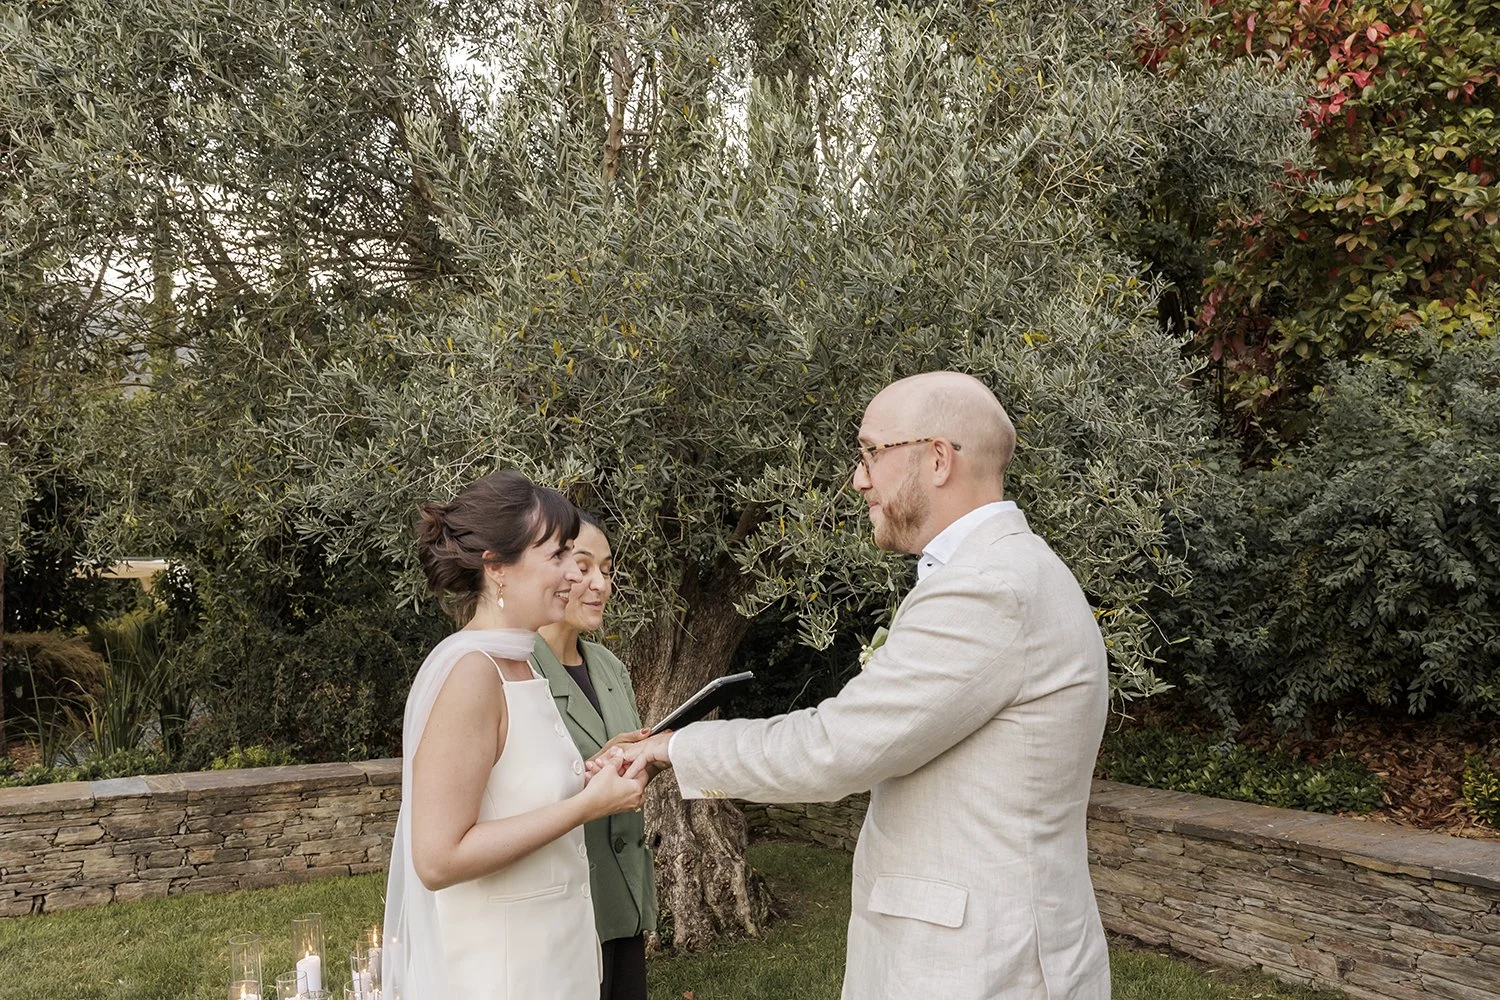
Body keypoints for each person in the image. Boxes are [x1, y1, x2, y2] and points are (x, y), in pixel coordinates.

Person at [611, 372, 1112, 1000]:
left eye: (873, 451)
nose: (859, 479)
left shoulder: (988, 587)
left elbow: (836, 749)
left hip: (975, 964)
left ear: (936, 458)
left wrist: (670, 749)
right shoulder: (1018, 569)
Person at [383, 470, 648, 1000]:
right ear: (498, 569)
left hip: (557, 956)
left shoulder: (521, 663)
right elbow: (437, 859)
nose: (572, 576)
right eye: (557, 557)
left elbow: (513, 793)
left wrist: (593, 768)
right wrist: (585, 807)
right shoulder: (472, 672)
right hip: (504, 972)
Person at [532, 510, 658, 1000]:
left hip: (623, 898)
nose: (600, 584)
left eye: (607, 570)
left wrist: (647, 759)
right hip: (564, 905)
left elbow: (620, 776)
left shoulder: (610, 665)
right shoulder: (518, 672)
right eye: (584, 567)